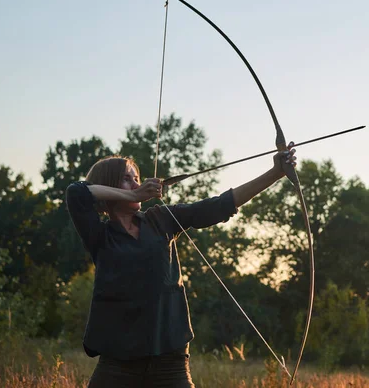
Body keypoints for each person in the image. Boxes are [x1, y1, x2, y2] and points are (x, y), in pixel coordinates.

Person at [65, 144, 297, 388]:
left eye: (137, 179)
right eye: (127, 179)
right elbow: (76, 192)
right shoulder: (100, 236)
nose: (137, 184)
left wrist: (275, 173)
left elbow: (217, 206)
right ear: (109, 186)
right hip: (118, 364)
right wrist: (134, 195)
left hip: (170, 362)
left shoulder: (160, 219)